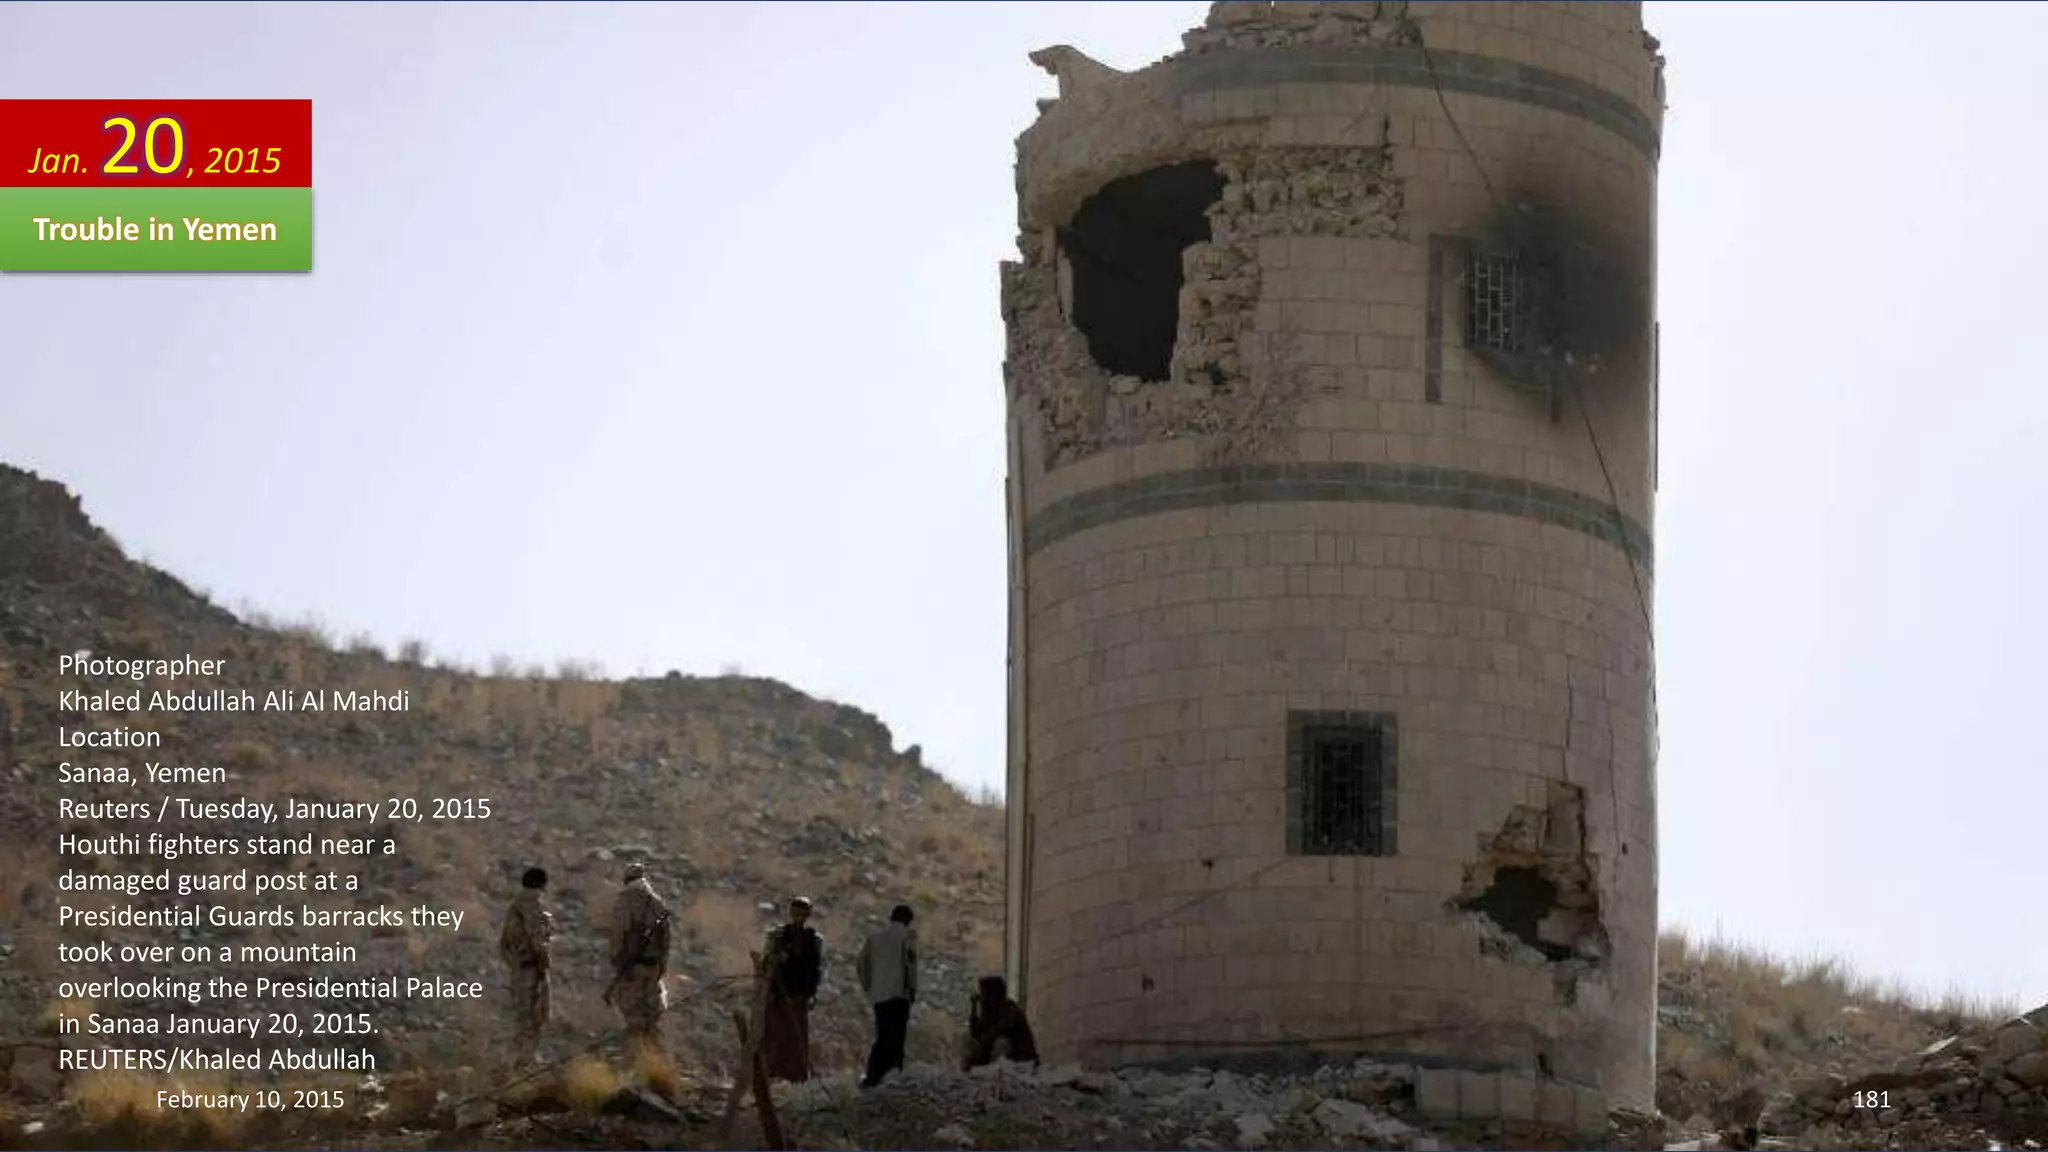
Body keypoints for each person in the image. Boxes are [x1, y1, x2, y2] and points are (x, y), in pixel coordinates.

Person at [606, 863, 673, 1056]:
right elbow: (666, 939)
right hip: (653, 967)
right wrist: (662, 966)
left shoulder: (624, 902)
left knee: (633, 1015)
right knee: (652, 1014)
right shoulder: (657, 903)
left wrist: (618, 964)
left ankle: (638, 1058)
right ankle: (654, 1059)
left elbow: (618, 936)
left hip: (632, 969)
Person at [760, 895, 823, 1083]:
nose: (799, 917)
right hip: (779, 992)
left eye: (803, 913)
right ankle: (772, 1072)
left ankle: (796, 1076)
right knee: (775, 1033)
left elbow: (815, 967)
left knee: (797, 1036)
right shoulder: (778, 935)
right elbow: (765, 962)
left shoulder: (813, 939)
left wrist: (812, 992)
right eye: (796, 912)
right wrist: (777, 959)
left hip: (799, 994)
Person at [497, 866, 554, 1067]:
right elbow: (539, 942)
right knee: (535, 1015)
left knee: (522, 1015)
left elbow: (502, 945)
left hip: (519, 970)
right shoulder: (534, 906)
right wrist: (544, 966)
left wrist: (514, 964)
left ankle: (518, 1058)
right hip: (533, 969)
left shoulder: (513, 908)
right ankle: (527, 1061)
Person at [856, 904, 918, 1088]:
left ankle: (874, 1075)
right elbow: (910, 964)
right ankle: (890, 1075)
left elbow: (861, 964)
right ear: (908, 920)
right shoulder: (908, 936)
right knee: (897, 1037)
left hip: (879, 994)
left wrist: (869, 986)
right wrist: (912, 988)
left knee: (882, 1034)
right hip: (899, 994)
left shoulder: (875, 938)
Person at [962, 974, 1039, 1071]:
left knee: (1001, 1043)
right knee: (970, 1044)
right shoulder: (989, 1014)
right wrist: (974, 1009)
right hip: (996, 1055)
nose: (982, 999)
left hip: (1019, 1061)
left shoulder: (1009, 1010)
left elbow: (997, 1031)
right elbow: (976, 1034)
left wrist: (981, 1045)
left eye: (984, 994)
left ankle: (999, 1073)